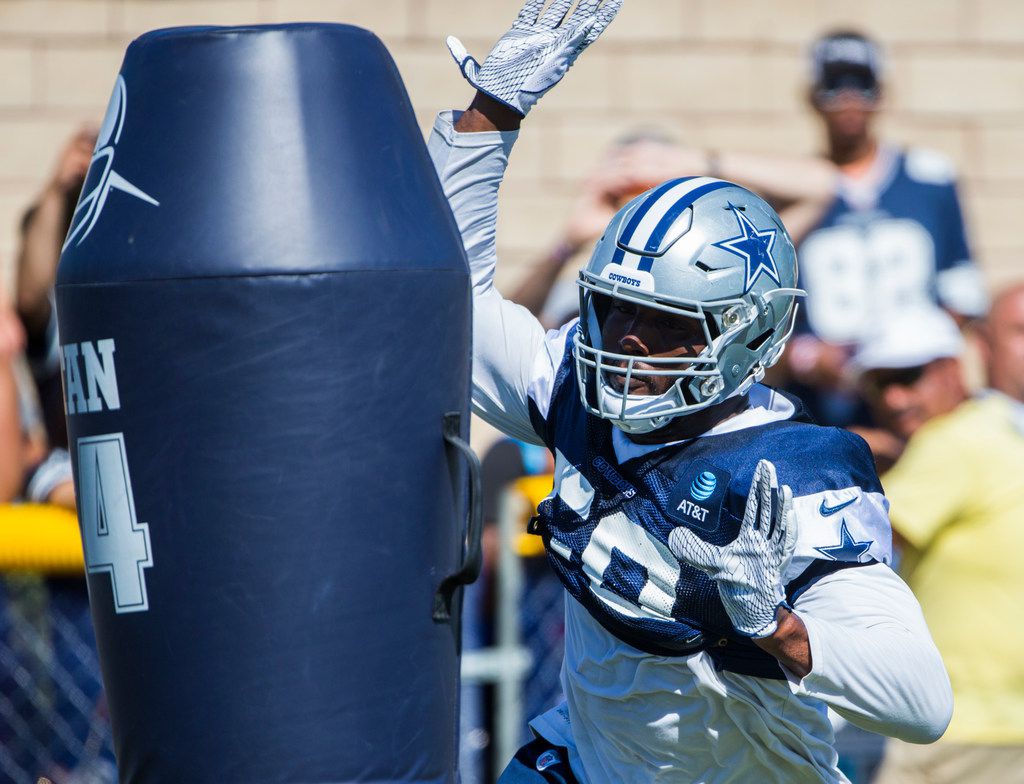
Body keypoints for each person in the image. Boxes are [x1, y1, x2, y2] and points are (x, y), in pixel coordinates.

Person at [434, 2, 951, 781]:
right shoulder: (577, 385)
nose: (630, 344)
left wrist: (771, 626)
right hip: (588, 757)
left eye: (669, 324)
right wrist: (493, 108)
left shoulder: (791, 477)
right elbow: (443, 302)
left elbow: (921, 702)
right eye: (615, 311)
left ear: (750, 332)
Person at [855, 288, 1024, 784]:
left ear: (953, 367)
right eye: (878, 385)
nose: (895, 399)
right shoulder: (995, 430)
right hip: (997, 727)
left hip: (961, 735)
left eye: (909, 377)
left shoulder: (950, 442)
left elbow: (849, 540)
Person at [784, 30, 988, 427]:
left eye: (861, 85)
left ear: (881, 92)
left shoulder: (930, 180)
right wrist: (809, 356)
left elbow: (963, 292)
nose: (847, 99)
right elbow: (771, 314)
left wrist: (914, 354)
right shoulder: (792, 190)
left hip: (914, 392)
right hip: (829, 403)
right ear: (811, 96)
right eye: (833, 86)